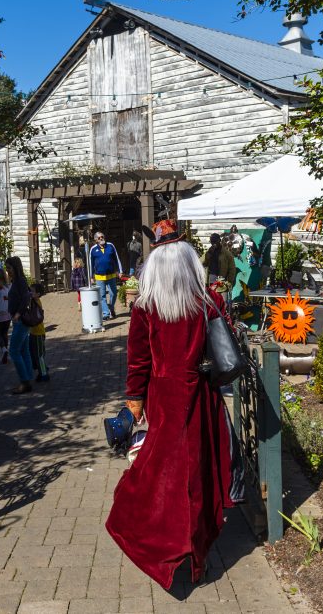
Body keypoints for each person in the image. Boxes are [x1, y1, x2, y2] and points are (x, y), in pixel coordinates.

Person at [105, 220, 233, 589]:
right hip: (199, 394)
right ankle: (196, 551)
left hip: (163, 398)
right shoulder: (208, 301)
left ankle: (171, 546)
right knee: (198, 472)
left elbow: (138, 359)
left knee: (163, 473)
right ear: (189, 261)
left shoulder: (146, 306)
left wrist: (134, 400)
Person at [4, 256, 35, 394]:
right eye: (7, 268)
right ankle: (28, 378)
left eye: (9, 268)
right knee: (24, 350)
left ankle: (25, 381)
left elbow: (26, 297)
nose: (8, 271)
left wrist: (17, 313)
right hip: (19, 320)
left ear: (15, 267)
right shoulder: (16, 281)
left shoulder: (20, 281)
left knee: (14, 351)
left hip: (21, 320)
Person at [89, 231, 122, 320]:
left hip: (111, 275)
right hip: (99, 277)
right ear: (96, 240)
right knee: (102, 296)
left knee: (114, 293)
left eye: (102, 236)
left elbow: (116, 258)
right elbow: (90, 263)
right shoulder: (93, 249)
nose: (101, 238)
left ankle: (111, 308)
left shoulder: (110, 246)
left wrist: (120, 271)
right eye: (99, 238)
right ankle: (106, 313)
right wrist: (91, 276)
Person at [202, 233, 237, 299]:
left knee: (223, 302)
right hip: (211, 281)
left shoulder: (227, 253)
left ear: (219, 240)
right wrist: (209, 253)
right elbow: (203, 264)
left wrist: (229, 281)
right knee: (212, 301)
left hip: (222, 281)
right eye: (212, 241)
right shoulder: (209, 252)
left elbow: (232, 268)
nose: (213, 243)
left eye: (215, 241)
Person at [28, 283, 50, 382]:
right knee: (35, 353)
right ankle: (43, 368)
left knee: (39, 355)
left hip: (38, 333)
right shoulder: (33, 300)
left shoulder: (36, 301)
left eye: (32, 291)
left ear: (38, 294)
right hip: (33, 332)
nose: (30, 293)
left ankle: (44, 373)